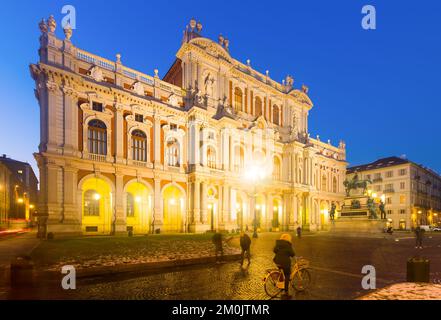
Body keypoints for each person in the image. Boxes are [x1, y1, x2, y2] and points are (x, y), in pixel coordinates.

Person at [273, 234, 295, 298]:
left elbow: (274, 250)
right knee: (287, 275)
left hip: (277, 261)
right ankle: (286, 292)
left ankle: (281, 284)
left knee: (282, 272)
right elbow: (292, 254)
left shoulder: (278, 243)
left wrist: (280, 252)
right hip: (285, 263)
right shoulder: (288, 245)